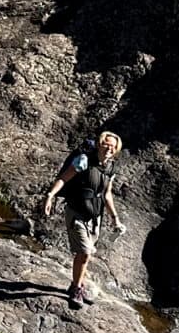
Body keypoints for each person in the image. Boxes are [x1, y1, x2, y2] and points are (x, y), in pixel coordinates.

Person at [41, 130, 124, 309]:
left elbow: (107, 194)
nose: (109, 148)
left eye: (113, 146)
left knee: (85, 255)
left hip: (95, 217)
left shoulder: (111, 168)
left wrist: (115, 219)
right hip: (76, 212)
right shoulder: (84, 160)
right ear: (100, 144)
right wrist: (50, 195)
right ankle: (77, 289)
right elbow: (64, 178)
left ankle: (76, 285)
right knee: (85, 252)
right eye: (106, 144)